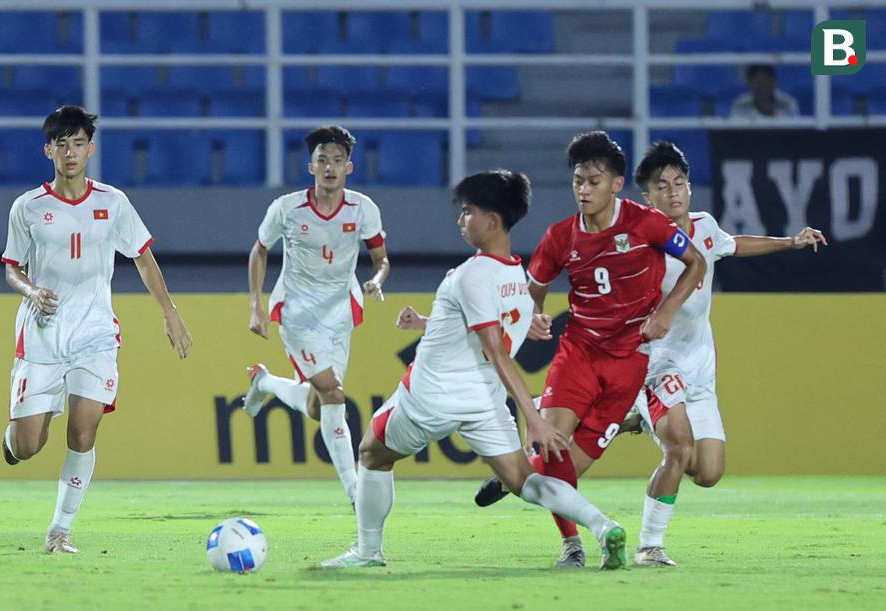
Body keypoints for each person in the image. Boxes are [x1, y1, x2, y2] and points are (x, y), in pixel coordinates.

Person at [321, 170, 627, 569]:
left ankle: (367, 552)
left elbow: (497, 351)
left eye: (468, 212)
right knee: (523, 480)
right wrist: (426, 323)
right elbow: (484, 332)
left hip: (432, 396)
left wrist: (533, 419)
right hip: (483, 401)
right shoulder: (516, 275)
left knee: (372, 453)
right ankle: (603, 526)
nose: (461, 220)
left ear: (492, 220)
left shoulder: (471, 274)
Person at [473, 131, 706, 568]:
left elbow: (697, 262)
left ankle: (514, 476)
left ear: (616, 184)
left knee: (558, 473)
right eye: (578, 180)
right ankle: (573, 546)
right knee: (553, 452)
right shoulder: (561, 236)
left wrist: (668, 311)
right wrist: (534, 315)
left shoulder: (647, 223)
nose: (583, 189)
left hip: (628, 365)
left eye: (594, 181)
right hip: (579, 352)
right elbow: (534, 288)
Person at [0, 106, 193, 555]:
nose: (71, 152)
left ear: (91, 148)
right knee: (29, 444)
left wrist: (170, 312)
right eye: (61, 144)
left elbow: (143, 258)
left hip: (95, 333)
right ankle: (12, 442)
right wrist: (29, 290)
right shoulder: (28, 207)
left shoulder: (113, 202)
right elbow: (11, 268)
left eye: (79, 143)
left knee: (83, 431)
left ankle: (59, 531)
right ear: (48, 150)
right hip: (43, 334)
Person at [624, 141, 826, 566]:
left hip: (699, 366)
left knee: (708, 471)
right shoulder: (639, 243)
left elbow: (732, 244)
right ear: (647, 197)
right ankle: (649, 546)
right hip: (655, 362)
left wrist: (790, 241)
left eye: (679, 183)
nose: (673, 192)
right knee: (678, 449)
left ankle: (637, 418)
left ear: (690, 188)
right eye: (662, 186)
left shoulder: (704, 226)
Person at [242, 125, 390, 504]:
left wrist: (376, 280)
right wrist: (256, 305)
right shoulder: (287, 208)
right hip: (298, 311)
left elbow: (380, 259)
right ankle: (355, 490)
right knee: (332, 392)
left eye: (337, 161)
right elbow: (260, 250)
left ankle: (266, 383)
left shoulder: (363, 209)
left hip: (340, 311)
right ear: (310, 167)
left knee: (316, 404)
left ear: (349, 167)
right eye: (322, 160)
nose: (329, 167)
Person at [729, 64, 800, 122]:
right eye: (757, 81)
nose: (762, 85)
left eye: (766, 80)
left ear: (775, 81)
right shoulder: (740, 105)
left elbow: (794, 133)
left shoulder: (788, 103)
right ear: (749, 83)